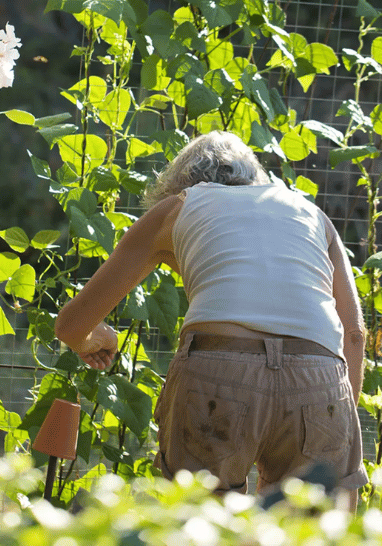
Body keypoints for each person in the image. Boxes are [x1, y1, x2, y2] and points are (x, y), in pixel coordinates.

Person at [54, 130, 368, 504]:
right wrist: (330, 412)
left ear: (182, 182)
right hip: (320, 375)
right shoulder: (312, 214)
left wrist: (99, 338)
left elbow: (72, 326)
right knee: (311, 529)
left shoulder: (178, 207)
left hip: (218, 371)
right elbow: (353, 336)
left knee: (202, 524)